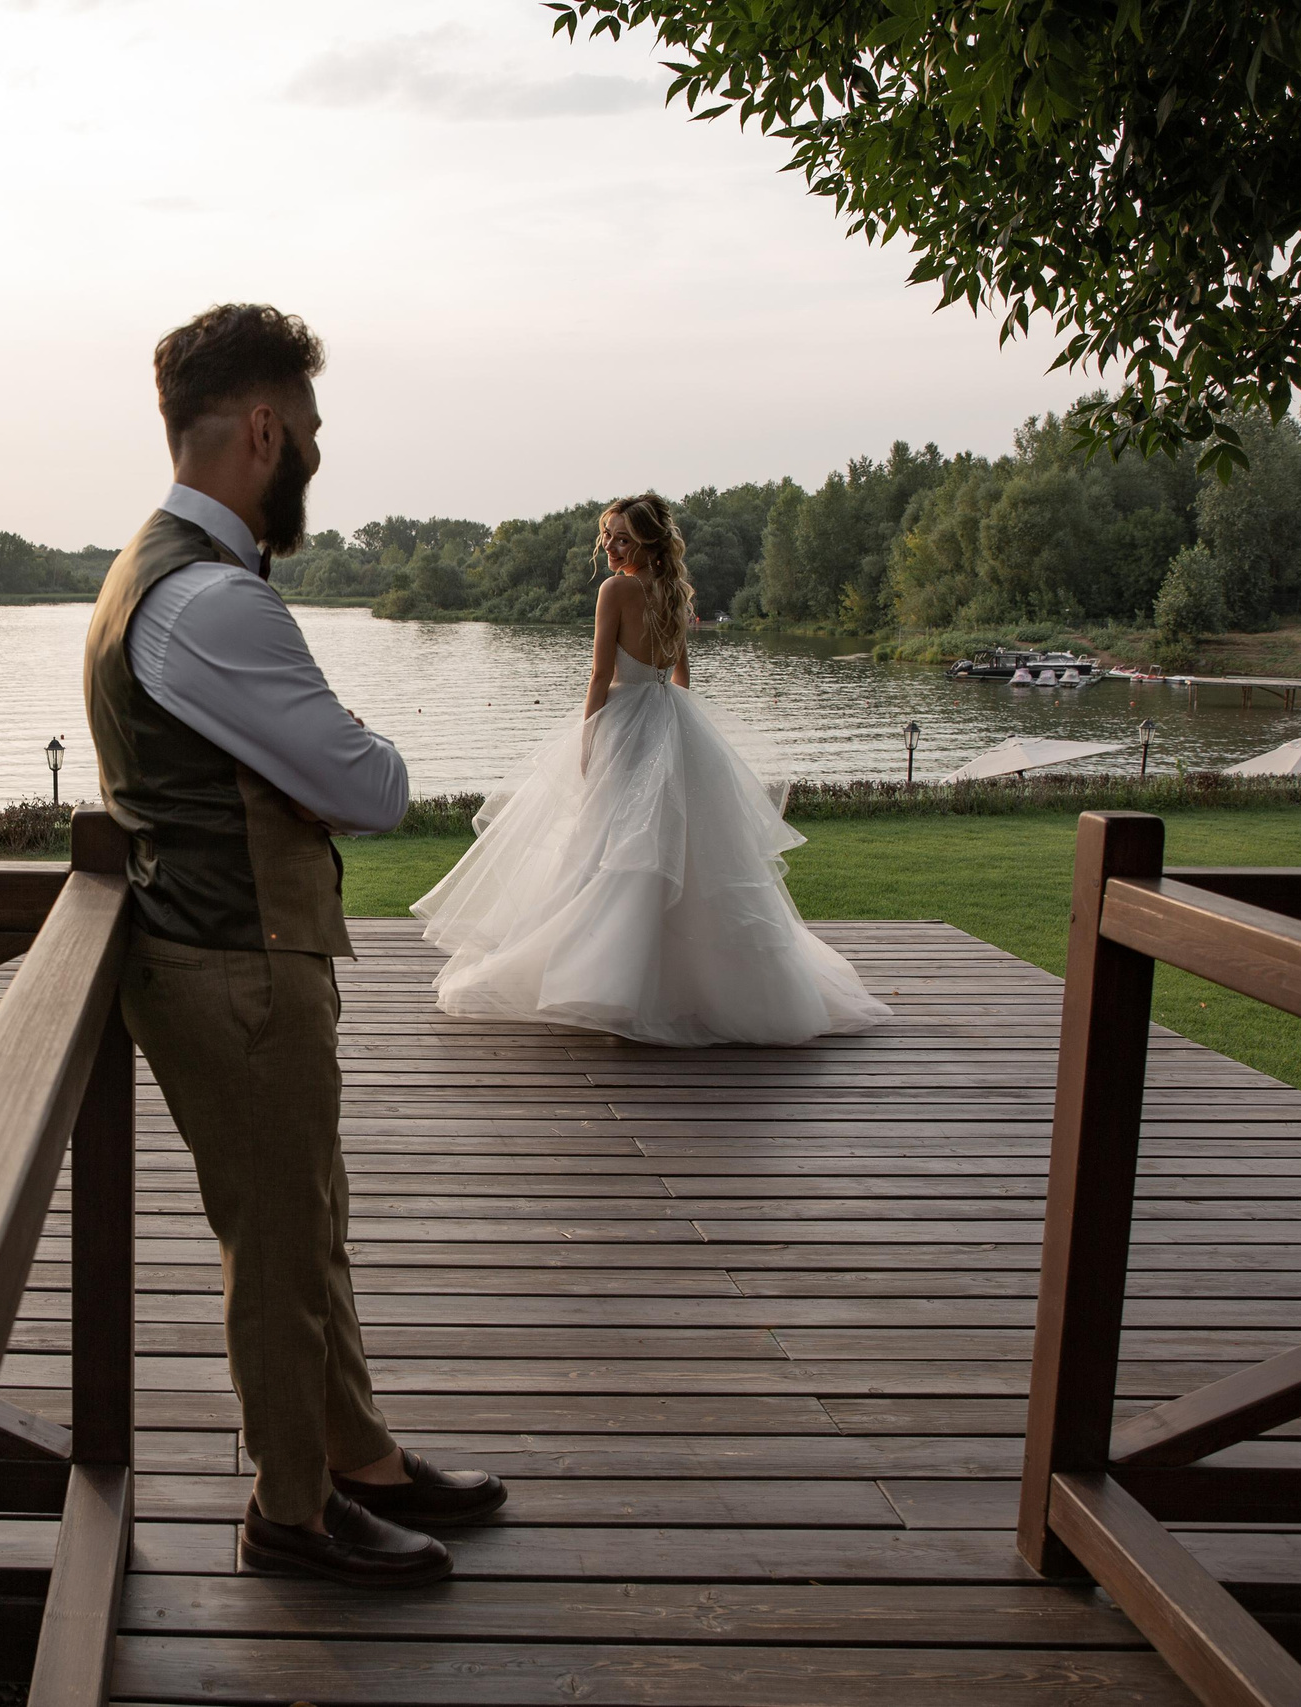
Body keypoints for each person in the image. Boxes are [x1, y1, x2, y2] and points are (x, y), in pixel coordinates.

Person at [83, 303, 507, 1589]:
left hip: (227, 949)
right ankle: (292, 1511)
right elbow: (373, 786)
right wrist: (343, 741)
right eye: (310, 427)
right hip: (234, 963)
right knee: (274, 1241)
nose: (318, 450)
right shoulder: (216, 603)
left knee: (307, 1220)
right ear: (263, 429)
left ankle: (356, 1454)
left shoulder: (150, 571)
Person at [413, 494, 891, 1047]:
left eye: (622, 538)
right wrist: (686, 738)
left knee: (615, 846)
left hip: (627, 721)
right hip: (672, 718)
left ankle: (614, 986)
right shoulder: (676, 592)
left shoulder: (615, 590)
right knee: (680, 850)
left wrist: (589, 742)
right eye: (608, 537)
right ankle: (701, 987)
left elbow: (598, 675)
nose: (611, 548)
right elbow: (682, 674)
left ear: (647, 541)